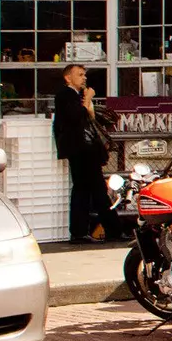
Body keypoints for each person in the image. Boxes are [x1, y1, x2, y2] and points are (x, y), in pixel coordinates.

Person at [53, 63, 117, 243]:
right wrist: (88, 98)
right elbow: (76, 116)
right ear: (68, 77)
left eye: (84, 75)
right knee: (87, 189)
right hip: (80, 149)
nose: (84, 78)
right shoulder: (65, 95)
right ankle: (84, 231)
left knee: (93, 189)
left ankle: (105, 229)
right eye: (80, 75)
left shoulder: (74, 96)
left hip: (84, 149)